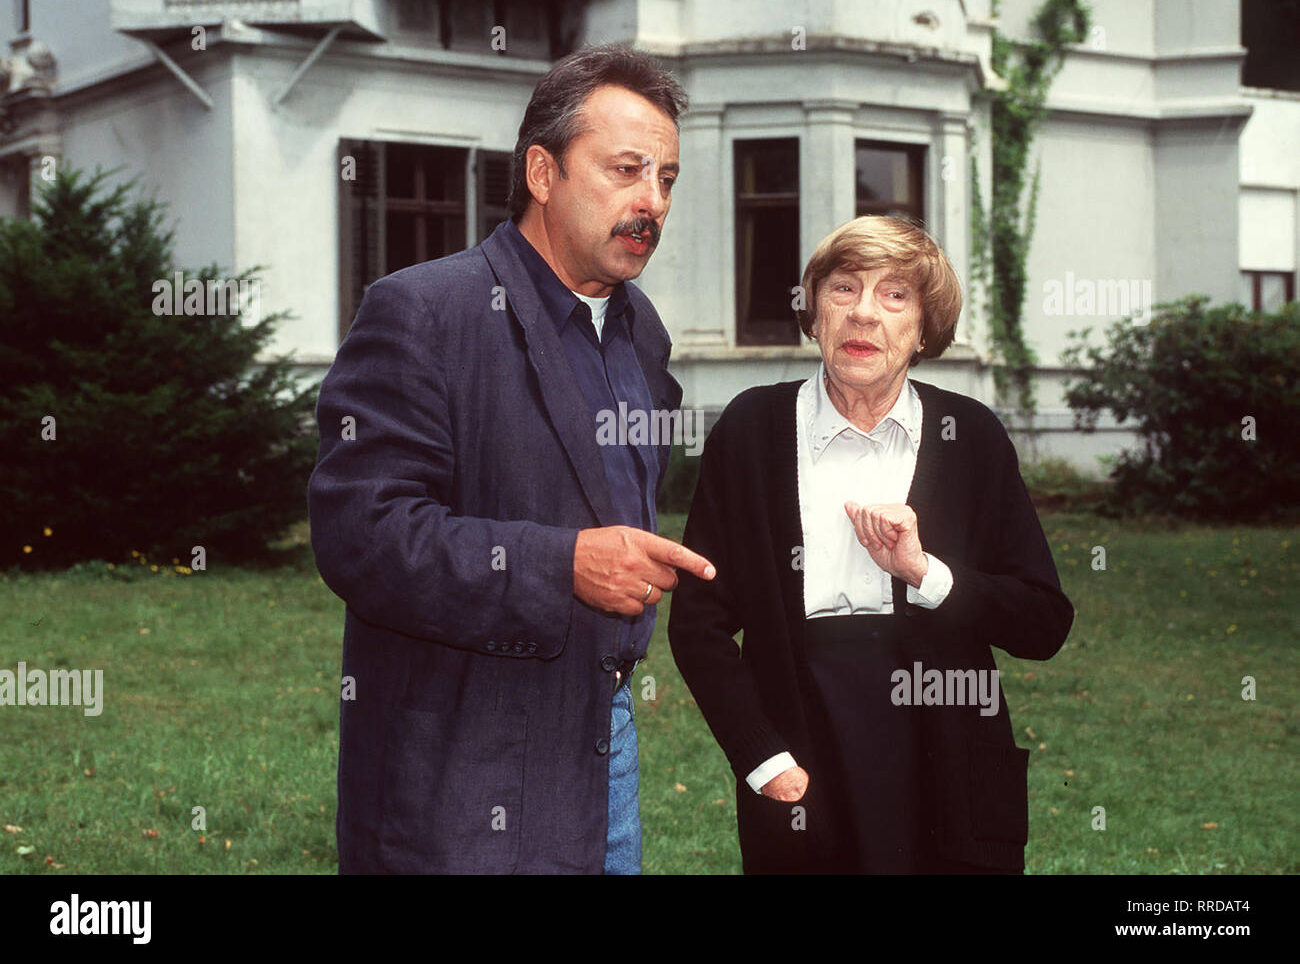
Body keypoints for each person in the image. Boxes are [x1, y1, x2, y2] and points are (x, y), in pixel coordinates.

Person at [308, 44, 713, 874]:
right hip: (461, 766)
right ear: (542, 172)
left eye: (667, 178)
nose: (652, 200)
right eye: (626, 169)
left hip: (603, 743)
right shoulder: (423, 311)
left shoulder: (641, 331)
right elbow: (362, 534)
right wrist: (561, 565)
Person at [668, 215, 1074, 873]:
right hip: (805, 758)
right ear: (814, 312)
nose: (863, 313)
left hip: (947, 759)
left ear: (924, 328)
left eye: (894, 295)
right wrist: (762, 757)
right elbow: (698, 623)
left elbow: (1044, 623)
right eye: (843, 288)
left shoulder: (969, 437)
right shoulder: (751, 430)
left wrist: (925, 572)